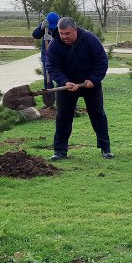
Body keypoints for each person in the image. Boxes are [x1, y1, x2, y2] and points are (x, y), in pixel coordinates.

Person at [45, 17, 112, 160]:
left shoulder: (89, 39)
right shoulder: (55, 44)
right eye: (62, 33)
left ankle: (105, 149)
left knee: (98, 115)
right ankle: (59, 151)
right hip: (66, 87)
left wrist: (93, 80)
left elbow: (102, 61)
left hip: (90, 84)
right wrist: (64, 82)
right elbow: (52, 67)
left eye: (67, 33)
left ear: (75, 29)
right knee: (63, 117)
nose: (64, 37)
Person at [32, 11, 60, 89]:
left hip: (59, 57)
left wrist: (52, 39)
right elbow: (35, 35)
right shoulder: (45, 26)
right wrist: (41, 28)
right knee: (47, 79)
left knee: (61, 79)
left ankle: (61, 95)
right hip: (46, 57)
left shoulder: (61, 26)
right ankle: (49, 93)